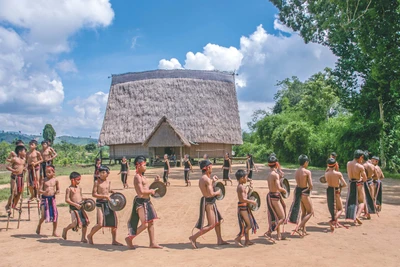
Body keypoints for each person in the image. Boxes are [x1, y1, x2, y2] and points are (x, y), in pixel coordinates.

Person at [189, 160, 228, 249]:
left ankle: (219, 239)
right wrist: (218, 192)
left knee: (217, 222)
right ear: (208, 168)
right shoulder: (206, 179)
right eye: (211, 167)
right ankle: (193, 237)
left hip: (210, 202)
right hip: (209, 203)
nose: (212, 168)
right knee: (211, 224)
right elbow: (210, 193)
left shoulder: (204, 178)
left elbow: (208, 188)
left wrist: (213, 181)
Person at [125, 156, 163, 249]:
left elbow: (147, 188)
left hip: (147, 201)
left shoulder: (143, 176)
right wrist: (151, 192)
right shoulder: (137, 177)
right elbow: (141, 192)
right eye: (144, 165)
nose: (146, 167)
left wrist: (156, 182)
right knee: (145, 224)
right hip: (140, 202)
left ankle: (152, 243)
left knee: (150, 223)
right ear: (139, 165)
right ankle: (129, 238)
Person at [87, 165, 122, 246]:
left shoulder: (108, 182)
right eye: (100, 173)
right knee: (100, 223)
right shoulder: (97, 182)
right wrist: (104, 196)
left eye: (103, 172)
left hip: (109, 203)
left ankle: (114, 240)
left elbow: (107, 190)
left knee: (114, 223)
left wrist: (112, 191)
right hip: (100, 204)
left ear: (107, 173)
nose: (101, 174)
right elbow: (94, 194)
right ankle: (90, 235)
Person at [286, 154, 313, 237]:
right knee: (310, 212)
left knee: (303, 212)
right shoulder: (307, 172)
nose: (308, 163)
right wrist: (309, 188)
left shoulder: (297, 171)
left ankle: (303, 230)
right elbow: (311, 185)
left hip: (298, 192)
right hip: (304, 192)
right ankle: (299, 227)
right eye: (307, 162)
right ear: (305, 162)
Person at [62, 172, 90, 242]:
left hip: (80, 207)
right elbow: (67, 199)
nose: (79, 181)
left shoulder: (79, 188)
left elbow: (80, 196)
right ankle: (65, 229)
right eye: (78, 180)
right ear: (72, 180)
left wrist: (84, 199)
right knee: (74, 223)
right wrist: (75, 204)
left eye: (79, 179)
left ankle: (83, 237)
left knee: (85, 222)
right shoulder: (69, 189)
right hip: (74, 208)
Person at [265, 156, 287, 242]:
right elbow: (278, 187)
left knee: (277, 216)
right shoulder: (275, 175)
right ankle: (269, 231)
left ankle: (278, 235)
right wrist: (284, 190)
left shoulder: (269, 174)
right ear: (276, 164)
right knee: (282, 217)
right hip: (275, 197)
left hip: (270, 196)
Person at [234, 169, 258, 247]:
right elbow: (242, 199)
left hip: (244, 207)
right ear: (241, 178)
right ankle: (238, 238)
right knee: (249, 225)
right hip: (243, 208)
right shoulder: (240, 187)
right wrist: (252, 202)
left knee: (247, 224)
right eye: (246, 177)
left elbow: (245, 196)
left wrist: (250, 189)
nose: (247, 178)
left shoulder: (242, 186)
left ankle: (247, 241)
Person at [325, 158, 347, 232]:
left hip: (329, 190)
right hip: (336, 191)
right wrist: (340, 186)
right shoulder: (338, 174)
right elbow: (344, 184)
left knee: (333, 207)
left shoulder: (326, 174)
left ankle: (335, 222)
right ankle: (332, 221)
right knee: (340, 209)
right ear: (335, 165)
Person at [345, 149, 367, 225]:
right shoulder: (360, 166)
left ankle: (351, 215)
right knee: (362, 202)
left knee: (352, 200)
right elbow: (365, 178)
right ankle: (357, 216)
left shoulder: (348, 163)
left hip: (351, 183)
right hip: (358, 184)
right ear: (361, 157)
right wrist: (361, 179)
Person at [36, 165, 60, 236]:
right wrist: (43, 192)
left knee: (55, 215)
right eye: (46, 172)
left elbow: (58, 189)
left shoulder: (56, 180)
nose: (47, 174)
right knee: (44, 216)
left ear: (53, 172)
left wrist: (57, 191)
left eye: (49, 172)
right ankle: (39, 225)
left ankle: (54, 231)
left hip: (52, 199)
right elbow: (39, 190)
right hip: (44, 199)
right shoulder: (43, 180)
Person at [5, 145, 27, 212]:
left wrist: (24, 169)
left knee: (19, 192)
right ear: (20, 152)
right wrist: (13, 170)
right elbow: (7, 167)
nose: (25, 153)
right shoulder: (14, 159)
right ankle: (7, 205)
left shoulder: (24, 160)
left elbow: (24, 166)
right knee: (14, 193)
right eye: (24, 151)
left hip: (21, 177)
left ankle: (14, 205)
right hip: (14, 177)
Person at [363, 151, 377, 218]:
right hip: (371, 182)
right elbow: (376, 177)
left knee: (364, 198)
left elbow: (362, 176)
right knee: (371, 198)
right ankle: (369, 212)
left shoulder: (362, 166)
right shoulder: (372, 166)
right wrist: (371, 177)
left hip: (364, 183)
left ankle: (366, 213)